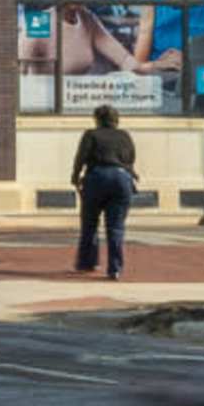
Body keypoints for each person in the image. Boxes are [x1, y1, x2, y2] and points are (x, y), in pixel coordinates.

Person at [71, 104, 138, 279]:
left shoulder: (91, 135)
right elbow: (130, 158)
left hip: (97, 178)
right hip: (121, 179)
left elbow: (81, 157)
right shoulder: (125, 136)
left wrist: (75, 176)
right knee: (115, 227)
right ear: (116, 119)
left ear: (97, 119)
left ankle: (87, 262)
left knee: (90, 223)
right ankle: (115, 269)